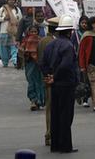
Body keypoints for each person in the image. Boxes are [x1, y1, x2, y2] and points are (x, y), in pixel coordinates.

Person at [40, 14, 78, 153]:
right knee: (66, 115)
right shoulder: (68, 45)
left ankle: (55, 144)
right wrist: (55, 77)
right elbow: (66, 65)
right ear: (69, 31)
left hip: (54, 84)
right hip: (66, 83)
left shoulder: (50, 44)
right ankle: (65, 145)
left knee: (55, 114)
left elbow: (43, 63)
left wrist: (48, 76)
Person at [37, 17, 59, 147]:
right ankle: (51, 134)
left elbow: (40, 61)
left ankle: (49, 134)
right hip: (54, 77)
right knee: (53, 107)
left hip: (47, 77)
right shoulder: (54, 42)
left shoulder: (43, 41)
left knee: (49, 108)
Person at [19, 25, 44, 111]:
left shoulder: (41, 40)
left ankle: (39, 100)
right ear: (28, 32)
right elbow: (21, 50)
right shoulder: (25, 41)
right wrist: (25, 52)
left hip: (39, 65)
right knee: (31, 82)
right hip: (30, 64)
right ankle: (33, 100)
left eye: (35, 32)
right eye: (31, 32)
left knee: (40, 82)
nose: (33, 34)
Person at [0, 0, 22, 67]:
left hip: (14, 31)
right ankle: (5, 62)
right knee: (3, 48)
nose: (11, 1)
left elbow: (21, 20)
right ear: (7, 1)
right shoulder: (3, 9)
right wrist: (4, 18)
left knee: (14, 47)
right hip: (4, 31)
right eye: (10, 0)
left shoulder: (17, 9)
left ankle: (15, 61)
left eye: (13, 0)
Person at [70, 15, 90, 107]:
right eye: (83, 23)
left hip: (88, 58)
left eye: (86, 23)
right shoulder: (76, 33)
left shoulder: (90, 33)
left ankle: (86, 98)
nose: (84, 25)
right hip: (78, 58)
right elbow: (71, 44)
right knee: (79, 78)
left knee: (87, 79)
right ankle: (78, 94)